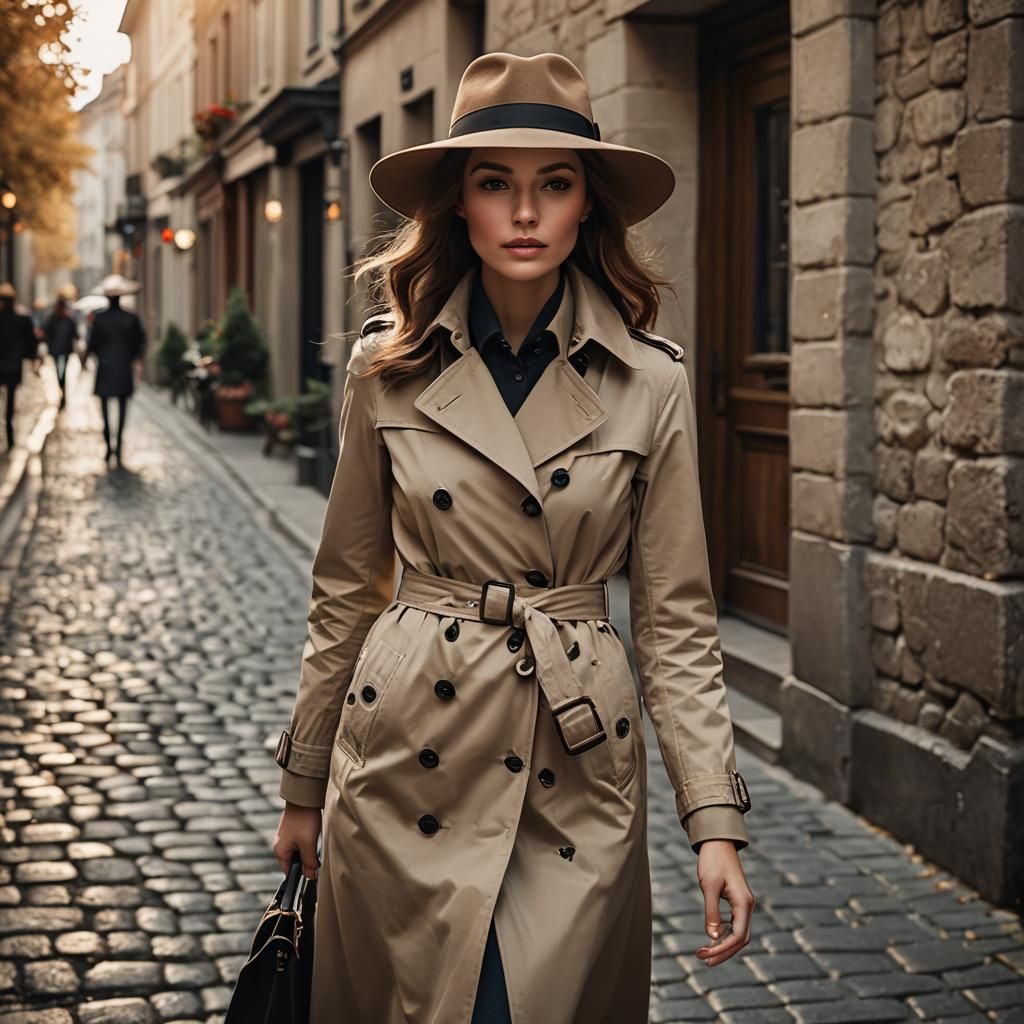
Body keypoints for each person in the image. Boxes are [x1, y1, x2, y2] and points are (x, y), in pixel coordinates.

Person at [271, 51, 756, 1024]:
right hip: (407, 743)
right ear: (459, 203)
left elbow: (675, 621)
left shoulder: (649, 382)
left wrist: (714, 822)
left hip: (571, 763)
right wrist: (303, 782)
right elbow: (343, 588)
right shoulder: (385, 368)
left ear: (588, 206)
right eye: (496, 184)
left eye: (554, 184)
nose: (525, 213)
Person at [83, 274, 146, 466]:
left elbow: (92, 343)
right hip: (123, 368)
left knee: (104, 408)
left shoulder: (99, 319)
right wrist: (135, 358)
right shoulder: (131, 318)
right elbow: (139, 342)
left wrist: (89, 358)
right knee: (122, 408)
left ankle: (108, 444)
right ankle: (117, 446)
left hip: (105, 367)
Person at [0, 282, 43, 450]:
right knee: (10, 399)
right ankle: (9, 434)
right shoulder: (22, 319)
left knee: (10, 399)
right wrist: (33, 360)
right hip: (13, 365)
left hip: (8, 364)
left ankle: (8, 433)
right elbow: (30, 343)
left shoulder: (21, 319)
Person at [43, 295, 78, 409]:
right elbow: (46, 333)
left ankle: (62, 388)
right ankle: (62, 388)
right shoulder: (54, 319)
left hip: (64, 350)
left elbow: (75, 334)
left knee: (62, 372)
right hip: (57, 350)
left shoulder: (68, 320)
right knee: (59, 372)